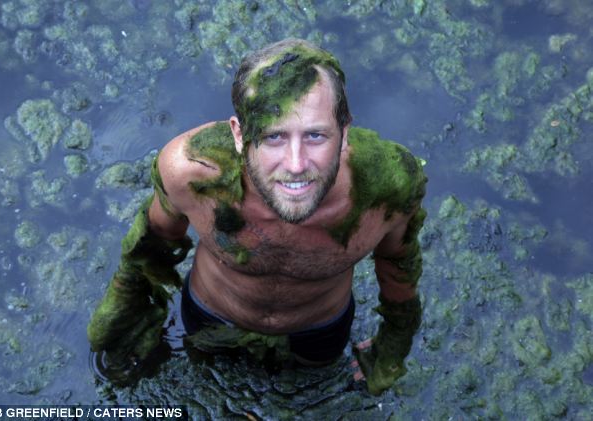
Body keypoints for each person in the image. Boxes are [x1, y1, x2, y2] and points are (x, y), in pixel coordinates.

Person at [87, 38, 427, 395]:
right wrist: (126, 310)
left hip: (319, 330)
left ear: (344, 131)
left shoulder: (387, 191)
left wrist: (393, 347)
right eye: (274, 136)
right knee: (206, 383)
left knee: (309, 392)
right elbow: (152, 242)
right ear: (238, 134)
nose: (296, 165)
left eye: (315, 135)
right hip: (211, 314)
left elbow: (397, 264)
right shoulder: (192, 171)